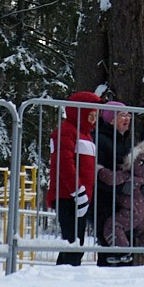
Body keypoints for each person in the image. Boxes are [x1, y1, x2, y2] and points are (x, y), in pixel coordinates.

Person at [93, 102, 144, 265]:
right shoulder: (99, 139)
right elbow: (96, 172)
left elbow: (135, 170)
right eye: (123, 114)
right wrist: (121, 185)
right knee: (108, 243)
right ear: (111, 119)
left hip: (127, 203)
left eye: (129, 115)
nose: (128, 118)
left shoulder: (128, 143)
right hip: (106, 201)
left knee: (125, 242)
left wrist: (141, 185)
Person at [51, 87, 106, 264]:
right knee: (72, 243)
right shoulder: (66, 131)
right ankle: (62, 278)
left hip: (80, 196)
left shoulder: (85, 135)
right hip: (69, 196)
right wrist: (77, 191)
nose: (94, 119)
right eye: (91, 114)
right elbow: (64, 164)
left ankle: (67, 276)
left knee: (77, 244)